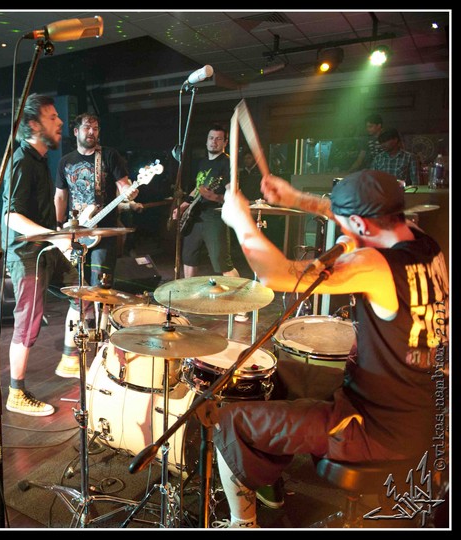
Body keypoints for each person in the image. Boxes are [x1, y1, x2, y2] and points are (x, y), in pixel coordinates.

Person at [208, 169, 448, 528]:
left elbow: (277, 274)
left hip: (377, 427)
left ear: (361, 224)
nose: (343, 233)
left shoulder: (375, 265)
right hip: (420, 411)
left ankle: (242, 524)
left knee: (231, 421)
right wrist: (294, 199)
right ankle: (269, 482)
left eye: (347, 226)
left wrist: (240, 220)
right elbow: (355, 218)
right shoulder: (424, 243)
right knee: (283, 377)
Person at [1, 93, 82, 416]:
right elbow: (11, 216)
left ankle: (68, 358)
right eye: (52, 117)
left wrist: (64, 229)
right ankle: (16, 393)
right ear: (33, 125)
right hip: (26, 253)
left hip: (45, 247)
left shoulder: (40, 160)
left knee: (81, 292)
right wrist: (56, 238)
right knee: (28, 323)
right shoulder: (21, 161)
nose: (60, 121)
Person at [53, 112, 137, 378]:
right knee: (78, 292)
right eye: (87, 127)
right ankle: (73, 353)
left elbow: (124, 186)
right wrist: (59, 228)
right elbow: (60, 196)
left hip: (104, 234)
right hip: (77, 234)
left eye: (96, 128)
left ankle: (104, 349)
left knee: (102, 292)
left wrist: (129, 192)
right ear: (76, 131)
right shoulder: (65, 162)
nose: (92, 131)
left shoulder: (109, 156)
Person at [175, 124, 247, 321]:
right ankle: (188, 300)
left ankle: (242, 305)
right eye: (211, 138)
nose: (213, 142)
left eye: (218, 139)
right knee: (188, 257)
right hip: (195, 214)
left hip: (214, 215)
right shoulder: (202, 162)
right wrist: (183, 206)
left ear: (225, 142)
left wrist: (214, 197)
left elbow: (233, 194)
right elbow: (196, 190)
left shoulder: (227, 164)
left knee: (222, 260)